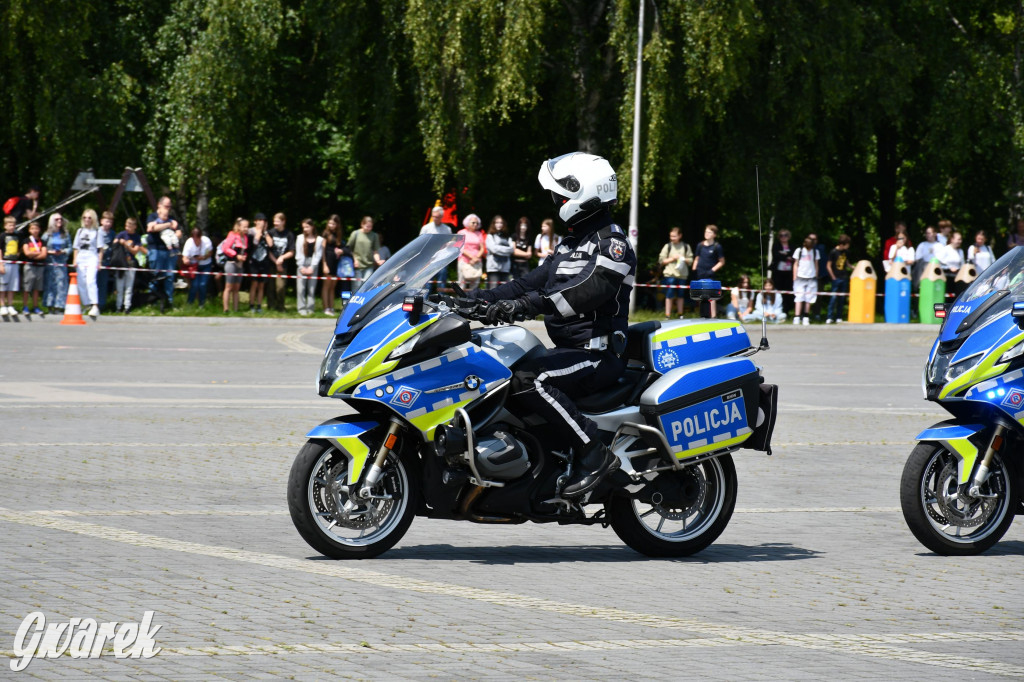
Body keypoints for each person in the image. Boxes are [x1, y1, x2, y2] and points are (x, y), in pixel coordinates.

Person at [458, 152, 635, 499]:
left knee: (529, 379)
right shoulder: (571, 242)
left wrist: (521, 308)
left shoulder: (612, 244)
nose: (557, 200)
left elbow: (580, 294)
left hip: (597, 354)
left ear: (582, 192)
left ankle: (594, 454)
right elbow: (528, 283)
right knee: (498, 369)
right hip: (570, 350)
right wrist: (475, 299)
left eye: (561, 193)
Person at [145, 196, 181, 310]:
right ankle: (152, 301)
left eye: (170, 207)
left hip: (169, 251)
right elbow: (152, 228)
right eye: (166, 206)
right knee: (155, 276)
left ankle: (168, 302)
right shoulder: (153, 216)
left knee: (169, 277)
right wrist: (168, 225)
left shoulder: (172, 217)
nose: (168, 209)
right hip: (156, 250)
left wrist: (175, 235)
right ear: (159, 205)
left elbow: (179, 231)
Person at [658, 226, 692, 319]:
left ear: (680, 236)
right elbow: (661, 261)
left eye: (674, 236)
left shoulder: (686, 247)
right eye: (671, 236)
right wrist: (673, 258)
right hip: (670, 274)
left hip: (682, 275)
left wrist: (683, 259)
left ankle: (680, 314)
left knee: (681, 295)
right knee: (669, 295)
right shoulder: (667, 246)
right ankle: (667, 315)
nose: (672, 238)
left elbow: (691, 260)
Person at [691, 224, 725, 318]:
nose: (706, 234)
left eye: (709, 232)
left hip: (710, 274)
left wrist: (712, 270)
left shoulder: (717, 246)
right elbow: (696, 259)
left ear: (714, 234)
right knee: (700, 295)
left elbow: (721, 262)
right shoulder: (700, 245)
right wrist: (694, 270)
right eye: (706, 231)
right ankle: (703, 316)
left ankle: (713, 316)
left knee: (711, 295)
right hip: (700, 273)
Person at [73, 208, 101, 318]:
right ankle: (86, 304)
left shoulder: (97, 232)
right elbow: (76, 247)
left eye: (89, 217)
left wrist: (99, 262)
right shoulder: (80, 231)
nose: (87, 220)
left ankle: (95, 305)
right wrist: (74, 260)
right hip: (81, 257)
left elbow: (100, 248)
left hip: (92, 257)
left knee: (90, 281)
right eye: (85, 217)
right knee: (81, 282)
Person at [219, 217, 249, 313]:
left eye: (247, 227)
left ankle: (236, 309)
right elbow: (225, 248)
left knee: (236, 288)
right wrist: (236, 255)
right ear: (239, 226)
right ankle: (226, 309)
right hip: (231, 263)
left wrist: (244, 256)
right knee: (228, 287)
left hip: (240, 265)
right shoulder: (232, 235)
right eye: (244, 227)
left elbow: (245, 250)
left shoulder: (245, 238)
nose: (246, 229)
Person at [113, 218, 143, 313]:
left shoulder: (137, 237)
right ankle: (118, 306)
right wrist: (119, 241)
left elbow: (135, 251)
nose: (127, 228)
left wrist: (126, 244)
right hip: (121, 263)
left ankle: (127, 306)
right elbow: (114, 243)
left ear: (134, 227)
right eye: (126, 225)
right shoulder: (122, 234)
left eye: (130, 226)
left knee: (129, 287)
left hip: (131, 263)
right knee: (119, 286)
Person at [295, 218, 324, 316]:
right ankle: (301, 308)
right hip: (302, 264)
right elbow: (298, 253)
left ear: (312, 227)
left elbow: (318, 254)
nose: (305, 229)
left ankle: (310, 308)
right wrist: (301, 267)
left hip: (313, 265)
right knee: (301, 288)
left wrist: (312, 267)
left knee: (311, 289)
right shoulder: (299, 238)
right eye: (304, 227)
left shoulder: (319, 239)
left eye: (307, 227)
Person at [42, 213, 70, 313]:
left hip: (61, 261)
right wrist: (50, 252)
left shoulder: (65, 234)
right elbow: (42, 248)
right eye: (57, 219)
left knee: (61, 284)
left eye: (61, 219)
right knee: (50, 283)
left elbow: (70, 248)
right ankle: (50, 305)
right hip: (50, 261)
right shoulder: (47, 235)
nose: (59, 221)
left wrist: (63, 251)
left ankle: (60, 306)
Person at [267, 212, 295, 311]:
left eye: (277, 221)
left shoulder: (289, 234)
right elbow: (268, 250)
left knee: (280, 287)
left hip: (283, 265)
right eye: (274, 221)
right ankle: (270, 306)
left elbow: (291, 252)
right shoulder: (270, 233)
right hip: (271, 263)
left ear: (283, 222)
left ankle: (280, 306)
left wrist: (282, 258)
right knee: (270, 287)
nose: (275, 223)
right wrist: (276, 261)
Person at [246, 215, 273, 312]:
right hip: (254, 261)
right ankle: (251, 305)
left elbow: (270, 244)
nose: (262, 222)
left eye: (264, 220)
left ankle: (259, 306)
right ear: (255, 221)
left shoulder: (267, 233)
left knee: (262, 285)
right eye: (260, 220)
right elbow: (255, 242)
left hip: (264, 261)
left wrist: (265, 232)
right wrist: (259, 232)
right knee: (254, 283)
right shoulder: (250, 231)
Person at [347, 215, 383, 287]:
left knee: (366, 286)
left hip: (369, 265)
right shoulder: (355, 234)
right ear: (362, 224)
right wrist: (355, 260)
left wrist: (378, 261)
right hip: (357, 265)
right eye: (367, 226)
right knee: (356, 286)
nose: (369, 229)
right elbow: (349, 249)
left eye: (371, 227)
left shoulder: (374, 235)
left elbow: (375, 251)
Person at [182, 227, 214, 308]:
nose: (196, 241)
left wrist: (204, 257)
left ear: (201, 237)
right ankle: (190, 303)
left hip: (206, 265)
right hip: (194, 266)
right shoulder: (189, 242)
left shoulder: (206, 241)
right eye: (194, 239)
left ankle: (201, 304)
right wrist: (185, 260)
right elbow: (184, 256)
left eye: (198, 239)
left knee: (202, 284)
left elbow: (210, 252)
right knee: (195, 285)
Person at [791, 235, 819, 325]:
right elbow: (795, 263)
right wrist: (794, 276)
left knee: (809, 298)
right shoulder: (799, 251)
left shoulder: (815, 251)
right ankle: (797, 316)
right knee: (799, 297)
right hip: (800, 276)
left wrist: (816, 275)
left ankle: (806, 316)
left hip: (811, 277)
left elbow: (816, 264)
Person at [20, 221, 46, 314]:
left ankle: (35, 306)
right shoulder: (26, 240)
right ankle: (25, 306)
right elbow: (27, 253)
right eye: (32, 228)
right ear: (29, 230)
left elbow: (44, 254)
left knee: (37, 288)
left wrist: (33, 255)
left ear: (39, 230)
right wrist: (37, 253)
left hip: (39, 266)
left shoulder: (42, 241)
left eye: (36, 228)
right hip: (29, 266)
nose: (35, 230)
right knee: (27, 287)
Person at [826, 234, 853, 324]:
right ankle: (829, 317)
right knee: (833, 298)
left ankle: (839, 317)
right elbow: (828, 266)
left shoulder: (846, 252)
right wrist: (833, 276)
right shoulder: (833, 252)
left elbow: (847, 263)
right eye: (847, 244)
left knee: (841, 299)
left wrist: (855, 268)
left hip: (844, 277)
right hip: (836, 277)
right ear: (842, 244)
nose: (848, 246)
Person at [321, 215, 345, 314]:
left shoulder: (338, 235)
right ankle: (326, 308)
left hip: (336, 263)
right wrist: (324, 264)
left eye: (333, 224)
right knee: (326, 286)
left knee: (332, 287)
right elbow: (322, 251)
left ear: (337, 225)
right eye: (330, 223)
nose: (331, 225)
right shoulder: (325, 234)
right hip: (328, 261)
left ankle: (331, 307)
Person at [456, 213, 486, 291]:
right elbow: (459, 247)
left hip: (476, 261)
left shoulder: (479, 233)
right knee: (462, 284)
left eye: (477, 223)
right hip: (464, 260)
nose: (475, 224)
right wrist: (472, 257)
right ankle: (459, 301)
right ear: (467, 222)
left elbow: (482, 248)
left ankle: (473, 301)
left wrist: (476, 258)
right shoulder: (461, 232)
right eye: (473, 222)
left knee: (475, 285)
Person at [485, 215, 513, 289]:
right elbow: (493, 249)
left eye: (501, 223)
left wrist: (498, 248)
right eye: (497, 222)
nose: (499, 224)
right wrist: (505, 249)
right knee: (493, 289)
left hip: (505, 268)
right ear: (493, 224)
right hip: (493, 267)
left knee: (505, 289)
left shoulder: (507, 237)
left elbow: (511, 250)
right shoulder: (490, 236)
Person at [770, 229, 794, 314]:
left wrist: (783, 255)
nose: (783, 237)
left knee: (787, 291)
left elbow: (794, 257)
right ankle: (775, 310)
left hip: (789, 273)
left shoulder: (792, 246)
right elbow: (776, 255)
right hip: (778, 273)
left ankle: (786, 310)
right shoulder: (776, 245)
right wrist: (787, 257)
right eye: (781, 235)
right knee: (777, 290)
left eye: (785, 235)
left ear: (788, 236)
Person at [0, 216, 21, 316]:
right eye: (10, 225)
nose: (12, 227)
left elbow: (20, 247)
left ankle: (10, 305)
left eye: (13, 225)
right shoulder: (2, 236)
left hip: (14, 263)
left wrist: (18, 254)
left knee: (12, 286)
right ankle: (3, 306)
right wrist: (0, 264)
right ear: (5, 226)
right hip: (5, 262)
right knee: (3, 285)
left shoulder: (17, 236)